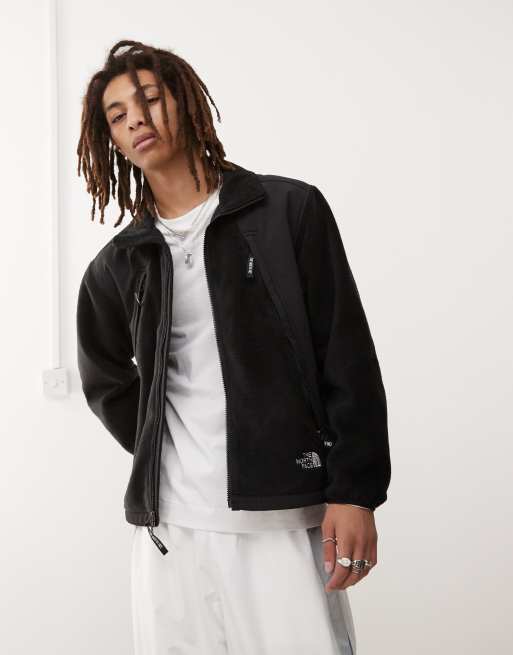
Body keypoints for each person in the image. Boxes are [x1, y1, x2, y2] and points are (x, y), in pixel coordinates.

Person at [76, 39, 391, 655]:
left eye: (149, 99)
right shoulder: (119, 263)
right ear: (109, 139)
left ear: (185, 102)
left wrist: (355, 491)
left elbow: (345, 353)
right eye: (117, 115)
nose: (136, 119)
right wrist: (160, 448)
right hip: (170, 530)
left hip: (280, 516)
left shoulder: (287, 210)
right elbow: (105, 378)